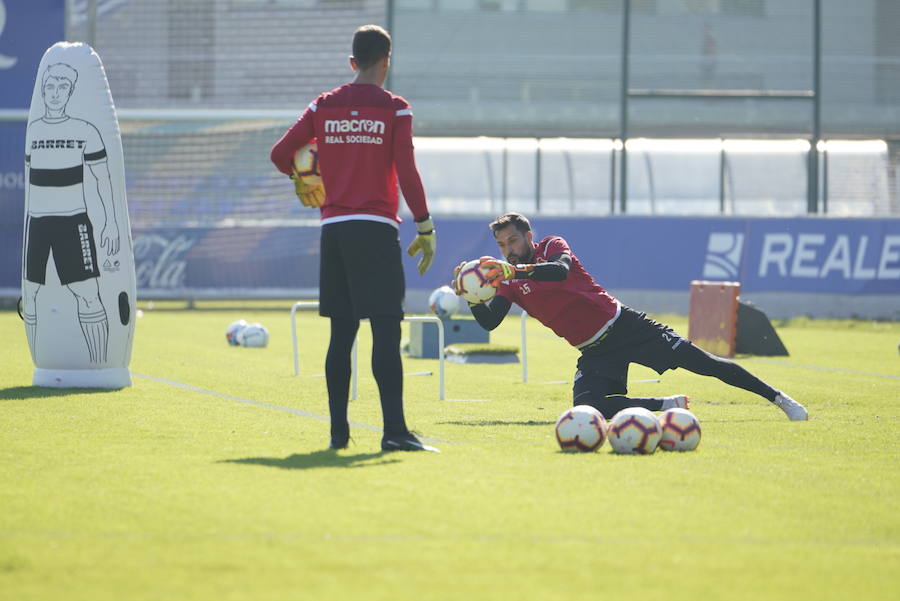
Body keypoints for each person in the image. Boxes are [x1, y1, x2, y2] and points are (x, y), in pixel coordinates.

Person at [454, 213, 808, 422]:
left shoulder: (550, 246)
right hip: (594, 350)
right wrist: (471, 297)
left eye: (513, 241)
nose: (508, 250)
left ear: (528, 236)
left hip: (626, 327)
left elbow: (559, 273)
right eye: (501, 245)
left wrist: (518, 272)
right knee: (589, 409)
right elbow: (490, 322)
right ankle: (667, 406)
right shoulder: (509, 282)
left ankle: (779, 398)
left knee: (706, 363)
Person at [270, 25, 439, 452]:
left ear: (351, 62)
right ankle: (395, 432)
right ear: (386, 61)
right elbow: (407, 170)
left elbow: (279, 153)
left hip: (334, 230)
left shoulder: (323, 105)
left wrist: (302, 176)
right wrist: (424, 226)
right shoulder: (396, 108)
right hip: (376, 228)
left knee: (341, 333)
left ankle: (338, 433)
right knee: (385, 330)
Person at [24, 62, 120, 364]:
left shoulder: (85, 131)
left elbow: (103, 179)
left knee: (88, 294)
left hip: (72, 223)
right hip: (36, 224)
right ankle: (41, 362)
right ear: (43, 89)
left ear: (71, 91)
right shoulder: (35, 130)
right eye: (50, 87)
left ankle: (100, 364)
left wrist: (112, 224)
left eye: (62, 87)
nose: (55, 93)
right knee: (31, 295)